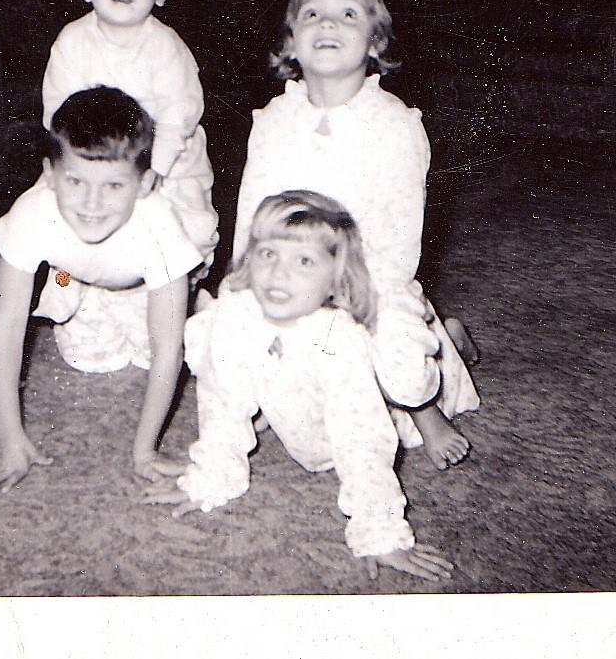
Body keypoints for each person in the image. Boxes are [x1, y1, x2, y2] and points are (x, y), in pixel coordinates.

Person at [232, 0, 479, 470]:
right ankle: (270, 402)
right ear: (292, 43)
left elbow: (401, 231)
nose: (328, 24)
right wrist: (243, 271)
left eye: (348, 14)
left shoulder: (393, 124)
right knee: (231, 326)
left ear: (374, 42)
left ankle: (426, 408)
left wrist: (357, 287)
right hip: (294, 265)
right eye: (313, 14)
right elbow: (252, 207)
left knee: (396, 346)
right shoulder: (274, 120)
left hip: (369, 269)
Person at [145, 192, 454, 582]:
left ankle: (448, 337)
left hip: (386, 413)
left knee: (409, 381)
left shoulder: (339, 339)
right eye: (268, 253)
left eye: (304, 261)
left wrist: (380, 532)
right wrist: (211, 476)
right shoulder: (236, 314)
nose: (278, 273)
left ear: (334, 282)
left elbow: (362, 438)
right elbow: (221, 403)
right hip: (296, 400)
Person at [0, 87, 201, 493]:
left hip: (140, 284)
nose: (92, 203)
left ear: (144, 184)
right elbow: (5, 323)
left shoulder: (160, 228)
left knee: (181, 353)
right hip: (68, 275)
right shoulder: (33, 212)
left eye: (113, 186)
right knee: (87, 356)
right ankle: (77, 300)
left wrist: (144, 450)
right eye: (75, 180)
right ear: (49, 175)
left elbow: (168, 349)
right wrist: (9, 439)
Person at [41, 0, 217, 263]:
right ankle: (66, 289)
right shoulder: (71, 42)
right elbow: (58, 116)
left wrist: (155, 173)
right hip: (92, 160)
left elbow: (176, 119)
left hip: (166, 162)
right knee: (51, 219)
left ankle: (177, 292)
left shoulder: (166, 47)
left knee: (179, 231)